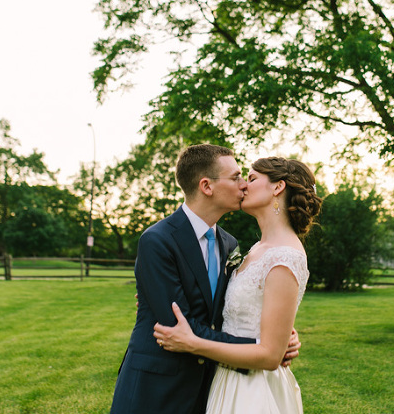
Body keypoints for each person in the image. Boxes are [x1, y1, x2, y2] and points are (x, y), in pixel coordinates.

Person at [109, 145, 300, 414]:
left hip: (209, 388)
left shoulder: (228, 243)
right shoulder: (158, 240)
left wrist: (278, 335)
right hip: (156, 388)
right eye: (235, 177)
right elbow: (179, 325)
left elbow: (229, 308)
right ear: (207, 186)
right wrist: (263, 350)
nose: (243, 185)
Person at [153, 157, 322, 414]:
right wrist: (158, 294)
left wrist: (193, 343)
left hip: (254, 391)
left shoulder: (286, 256)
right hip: (225, 380)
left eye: (252, 179)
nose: (243, 185)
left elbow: (269, 356)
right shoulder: (256, 249)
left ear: (278, 188)